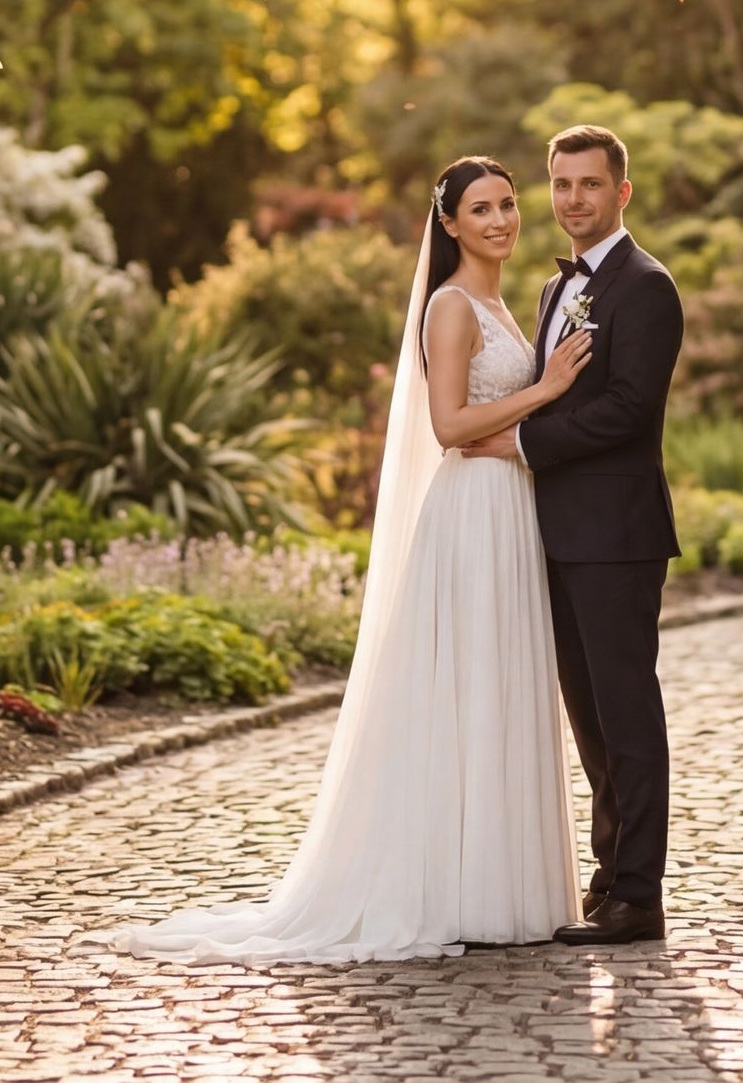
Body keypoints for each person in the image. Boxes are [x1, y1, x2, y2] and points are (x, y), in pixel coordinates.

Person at [110, 155, 590, 961]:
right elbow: (448, 424)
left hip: (511, 506)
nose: (501, 220)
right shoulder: (450, 305)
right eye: (480, 208)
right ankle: (458, 889)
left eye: (508, 203)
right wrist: (545, 391)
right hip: (472, 513)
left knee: (503, 683)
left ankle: (506, 884)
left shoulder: (505, 305)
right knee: (470, 687)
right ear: (449, 223)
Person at [458, 123, 684, 945]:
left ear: (621, 191)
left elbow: (627, 410)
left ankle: (639, 895)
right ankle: (608, 875)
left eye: (590, 183)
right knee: (590, 720)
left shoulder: (647, 286)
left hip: (617, 534)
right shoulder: (557, 289)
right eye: (561, 183)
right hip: (554, 534)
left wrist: (520, 442)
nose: (573, 198)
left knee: (627, 715)